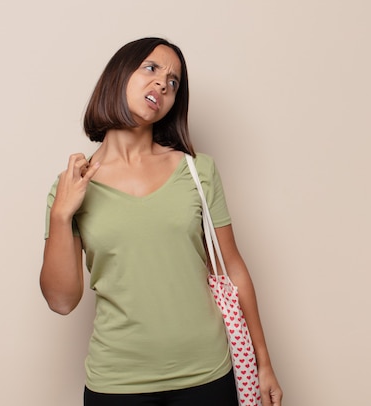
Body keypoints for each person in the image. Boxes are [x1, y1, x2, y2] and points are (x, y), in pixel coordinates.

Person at [39, 37, 283, 406]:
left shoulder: (198, 169)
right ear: (118, 76)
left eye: (173, 82)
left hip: (207, 375)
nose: (162, 85)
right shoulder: (72, 186)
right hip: (118, 382)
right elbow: (61, 300)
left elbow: (232, 268)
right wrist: (61, 215)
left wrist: (263, 364)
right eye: (151, 69)